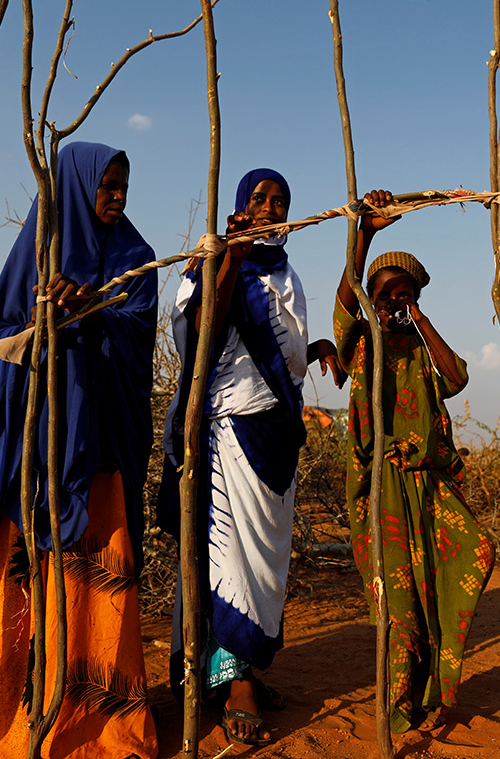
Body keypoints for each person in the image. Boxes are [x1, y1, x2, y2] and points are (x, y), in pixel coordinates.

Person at [0, 142, 159, 758]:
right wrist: (39, 323)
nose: (117, 197)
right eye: (107, 185)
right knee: (22, 581)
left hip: (97, 451)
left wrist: (92, 312)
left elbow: (137, 340)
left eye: (124, 186)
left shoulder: (136, 258)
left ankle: (101, 724)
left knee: (98, 582)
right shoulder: (35, 248)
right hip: (31, 454)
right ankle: (13, 721)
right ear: (75, 186)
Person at [159, 168, 345, 746]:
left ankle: (244, 673)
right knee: (229, 561)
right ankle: (232, 683)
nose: (270, 208)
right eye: (259, 199)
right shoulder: (209, 265)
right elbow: (202, 338)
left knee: (266, 566)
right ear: (240, 205)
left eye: (280, 201)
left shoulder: (288, 274)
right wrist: (231, 255)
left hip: (277, 435)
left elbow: (284, 353)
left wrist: (314, 348)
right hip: (229, 429)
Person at [333, 192, 495, 733]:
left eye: (405, 295)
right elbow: (344, 302)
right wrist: (366, 235)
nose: (395, 304)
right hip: (382, 489)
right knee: (399, 601)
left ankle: (432, 685)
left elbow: (458, 379)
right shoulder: (360, 343)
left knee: (464, 561)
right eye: (386, 295)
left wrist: (419, 318)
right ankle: (398, 703)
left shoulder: (423, 348)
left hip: (429, 486)